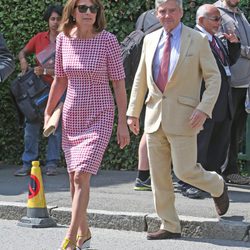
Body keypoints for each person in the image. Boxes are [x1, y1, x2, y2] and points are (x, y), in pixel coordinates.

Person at [127, 0, 229, 240]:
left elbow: (214, 79)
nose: (167, 15)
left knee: (185, 172)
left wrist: (204, 109)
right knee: (160, 178)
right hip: (154, 117)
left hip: (186, 118)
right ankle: (170, 224)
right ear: (156, 14)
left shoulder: (198, 39)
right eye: (162, 11)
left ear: (182, 13)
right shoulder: (150, 40)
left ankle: (217, 185)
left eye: (172, 10)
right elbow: (141, 78)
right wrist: (133, 111)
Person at [44, 0, 130, 249]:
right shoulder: (63, 40)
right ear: (73, 11)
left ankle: (70, 240)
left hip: (100, 113)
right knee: (74, 178)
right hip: (72, 114)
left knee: (82, 174)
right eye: (83, 8)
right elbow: (59, 80)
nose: (89, 13)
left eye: (94, 8)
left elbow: (118, 84)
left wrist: (122, 123)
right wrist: (49, 111)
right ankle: (85, 232)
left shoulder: (108, 40)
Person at [180, 4, 241, 199]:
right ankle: (187, 183)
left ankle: (209, 182)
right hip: (203, 102)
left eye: (219, 19)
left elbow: (226, 64)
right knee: (199, 144)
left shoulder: (216, 39)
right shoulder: (193, 39)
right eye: (215, 19)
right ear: (201, 20)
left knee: (218, 144)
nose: (219, 23)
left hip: (222, 101)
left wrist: (233, 45)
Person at [14, 4, 63, 177]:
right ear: (48, 20)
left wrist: (46, 71)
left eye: (58, 19)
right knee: (31, 124)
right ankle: (28, 163)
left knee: (55, 127)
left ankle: (51, 164)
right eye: (52, 19)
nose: (55, 22)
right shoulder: (39, 38)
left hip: (59, 88)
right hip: (37, 90)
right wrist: (23, 61)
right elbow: (22, 52)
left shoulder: (68, 40)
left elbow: (72, 70)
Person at [214, 0, 250, 185]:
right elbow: (222, 45)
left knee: (237, 130)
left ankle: (231, 171)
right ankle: (217, 172)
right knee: (224, 129)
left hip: (244, 84)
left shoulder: (241, 14)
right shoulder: (216, 12)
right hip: (229, 83)